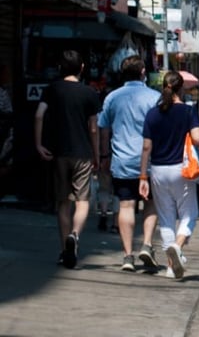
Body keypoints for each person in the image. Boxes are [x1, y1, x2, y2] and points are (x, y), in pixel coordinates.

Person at [34, 50, 101, 268]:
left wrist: (38, 144)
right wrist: (97, 154)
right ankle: (75, 235)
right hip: (82, 153)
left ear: (60, 68)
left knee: (63, 203)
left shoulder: (52, 89)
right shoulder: (90, 93)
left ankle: (65, 250)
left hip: (58, 152)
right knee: (83, 202)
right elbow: (93, 128)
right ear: (82, 68)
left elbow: (39, 114)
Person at [138, 71, 199, 280]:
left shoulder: (152, 114)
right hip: (181, 169)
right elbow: (197, 137)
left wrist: (142, 177)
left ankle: (170, 267)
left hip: (157, 170)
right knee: (189, 214)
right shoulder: (187, 111)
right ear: (180, 88)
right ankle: (177, 246)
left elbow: (146, 147)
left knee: (166, 219)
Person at [97, 55, 161, 272]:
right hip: (150, 160)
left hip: (122, 159)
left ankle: (127, 255)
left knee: (126, 205)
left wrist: (104, 156)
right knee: (151, 203)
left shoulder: (112, 97)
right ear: (143, 72)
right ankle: (147, 244)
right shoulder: (155, 97)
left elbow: (104, 129)